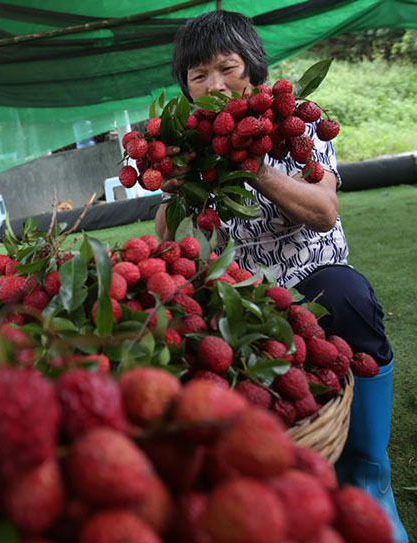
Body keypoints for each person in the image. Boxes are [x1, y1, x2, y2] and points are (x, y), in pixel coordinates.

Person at [157, 11, 406, 541]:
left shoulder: (298, 123)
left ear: (253, 69)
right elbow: (167, 242)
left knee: (347, 294)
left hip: (318, 281)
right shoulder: (193, 146)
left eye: (226, 67)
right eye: (198, 76)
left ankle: (368, 477)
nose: (215, 85)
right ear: (185, 87)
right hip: (248, 300)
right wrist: (176, 186)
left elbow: (323, 211)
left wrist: (256, 165)